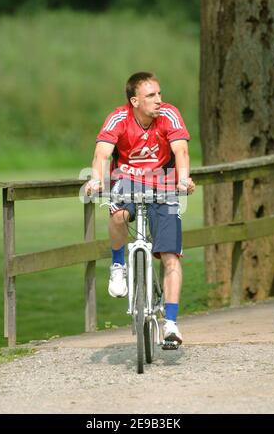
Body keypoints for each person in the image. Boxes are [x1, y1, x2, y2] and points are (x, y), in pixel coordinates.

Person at [85, 72, 195, 345]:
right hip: (127, 180)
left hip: (164, 184)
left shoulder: (169, 115)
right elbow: (102, 154)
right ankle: (118, 264)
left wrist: (183, 179)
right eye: (151, 96)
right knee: (119, 213)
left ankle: (170, 324)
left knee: (171, 256)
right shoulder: (118, 118)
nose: (159, 100)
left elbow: (180, 150)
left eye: (159, 94)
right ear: (135, 101)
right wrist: (97, 179)